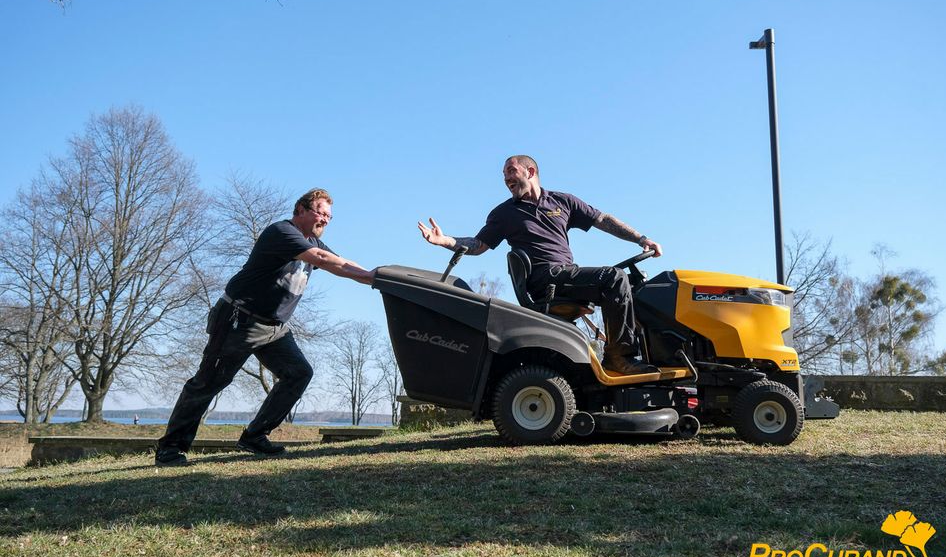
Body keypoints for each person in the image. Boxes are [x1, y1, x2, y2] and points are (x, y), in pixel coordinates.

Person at [155, 188, 374, 467]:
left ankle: (255, 436)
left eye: (330, 216)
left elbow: (341, 264)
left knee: (298, 373)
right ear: (302, 210)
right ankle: (170, 449)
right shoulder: (282, 232)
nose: (326, 220)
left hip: (274, 328)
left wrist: (374, 277)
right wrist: (368, 275)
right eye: (321, 212)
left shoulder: (311, 240)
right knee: (209, 382)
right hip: (240, 319)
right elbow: (322, 260)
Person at [417, 155, 662, 375]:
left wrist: (641, 239)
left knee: (631, 284)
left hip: (567, 276)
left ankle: (652, 353)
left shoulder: (562, 201)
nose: (506, 178)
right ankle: (620, 359)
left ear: (530, 172)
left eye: (511, 171)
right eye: (504, 175)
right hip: (546, 279)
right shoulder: (504, 213)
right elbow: (479, 244)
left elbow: (603, 220)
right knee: (614, 278)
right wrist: (444, 240)